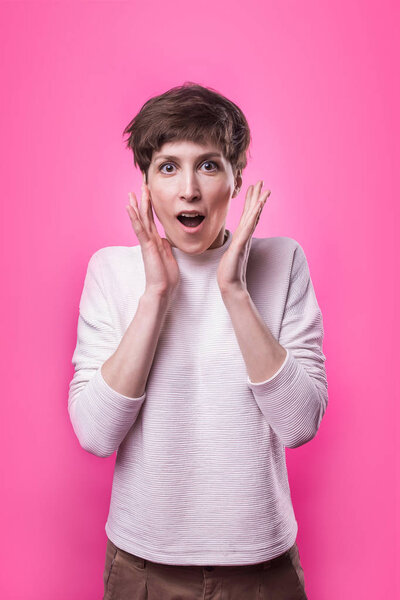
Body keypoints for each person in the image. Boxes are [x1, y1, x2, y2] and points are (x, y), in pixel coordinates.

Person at [68, 82, 328, 600]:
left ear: (235, 182)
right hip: (143, 568)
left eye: (208, 165)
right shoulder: (112, 272)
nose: (188, 189)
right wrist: (156, 295)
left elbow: (300, 423)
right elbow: (96, 435)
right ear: (146, 182)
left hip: (262, 567)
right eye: (168, 167)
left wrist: (232, 290)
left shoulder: (283, 262)